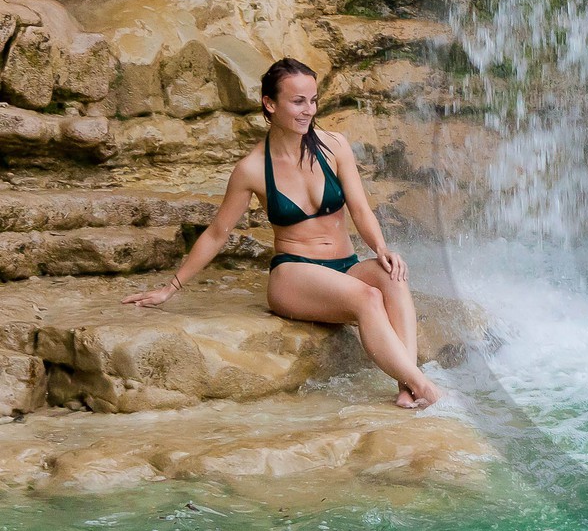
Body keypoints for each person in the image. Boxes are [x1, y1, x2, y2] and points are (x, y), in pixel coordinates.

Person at [122, 57, 442, 409]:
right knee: (367, 298)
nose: (309, 110)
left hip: (345, 265)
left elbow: (361, 208)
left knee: (392, 276)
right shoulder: (252, 169)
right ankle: (424, 387)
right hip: (295, 273)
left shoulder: (334, 146)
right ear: (270, 104)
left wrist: (381, 248)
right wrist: (171, 288)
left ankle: (406, 387)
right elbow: (217, 233)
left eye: (313, 100)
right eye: (298, 101)